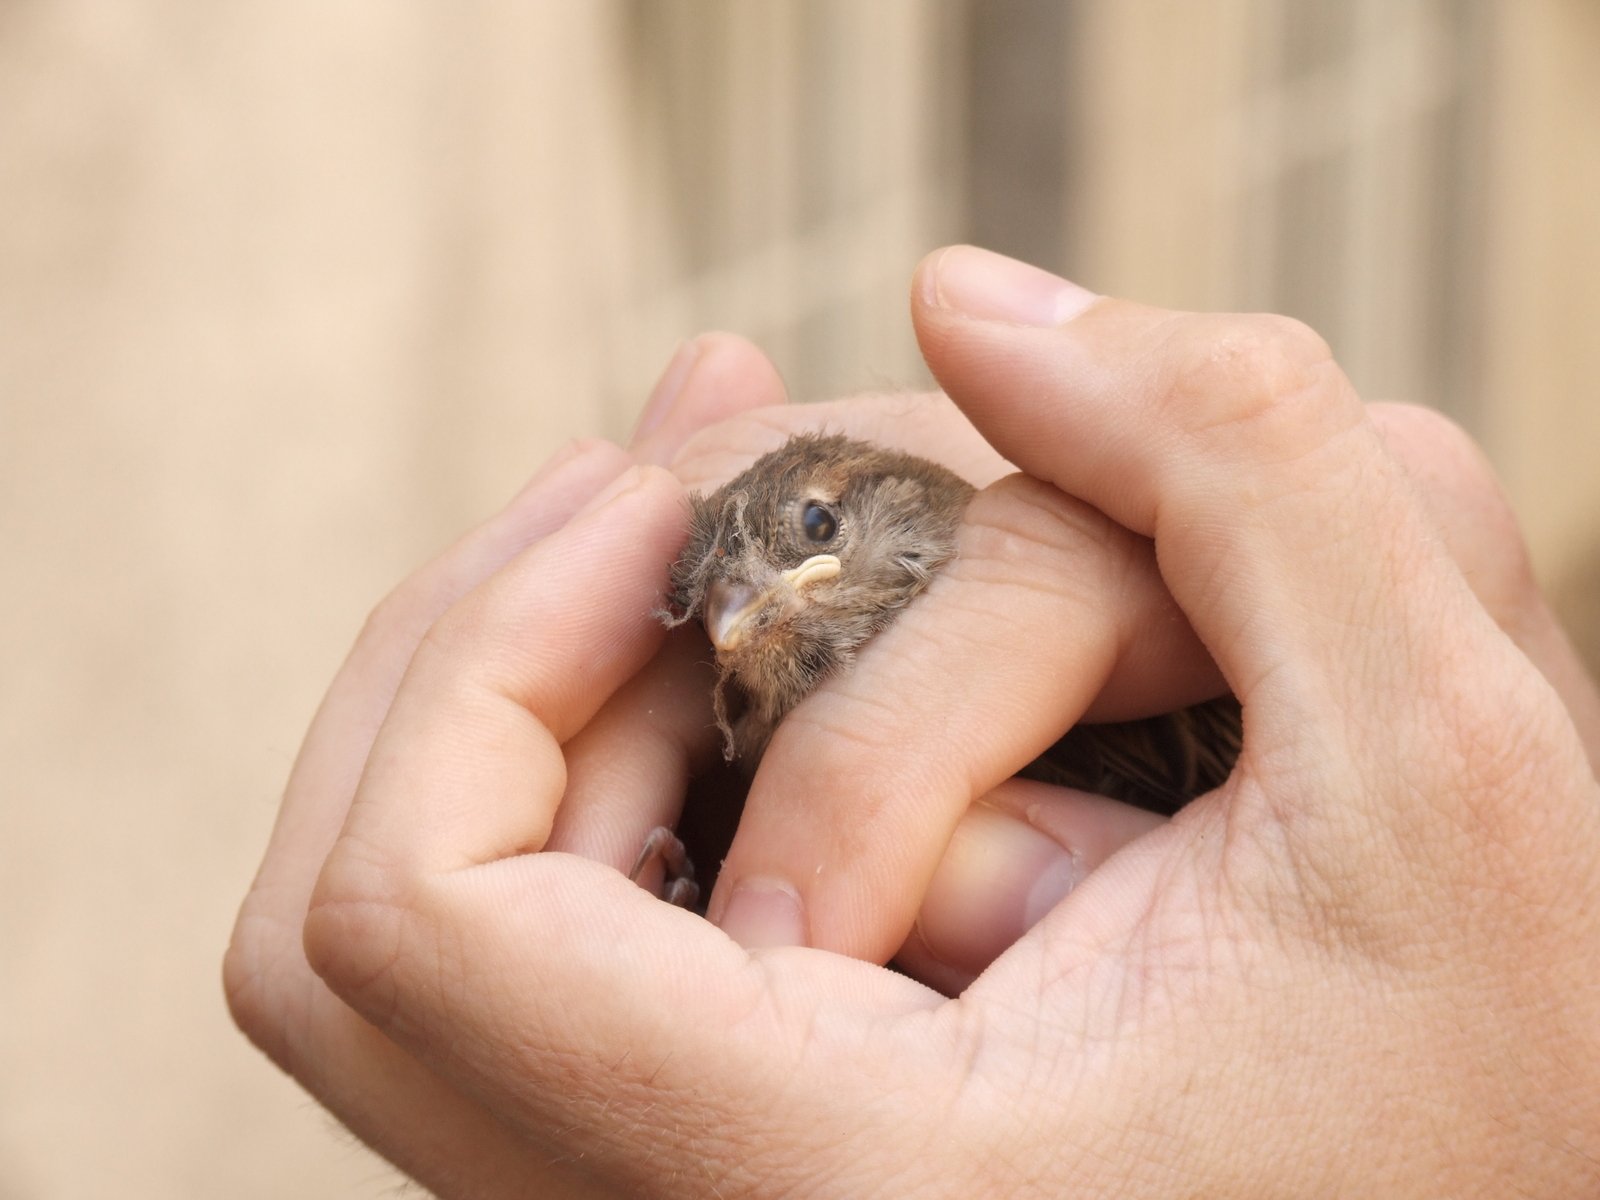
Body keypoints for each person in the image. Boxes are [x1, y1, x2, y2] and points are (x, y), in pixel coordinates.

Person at [225, 246, 1600, 1195]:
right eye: (715, 612)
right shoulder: (754, 760)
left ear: (895, 508)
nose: (746, 611)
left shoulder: (1147, 661)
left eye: (808, 529)